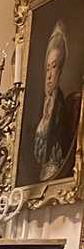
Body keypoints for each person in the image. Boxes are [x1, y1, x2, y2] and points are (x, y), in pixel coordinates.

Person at [33, 20, 78, 182]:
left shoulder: (61, 106)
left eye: (55, 67)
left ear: (61, 70)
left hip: (57, 174)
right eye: (47, 68)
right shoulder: (42, 105)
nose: (50, 75)